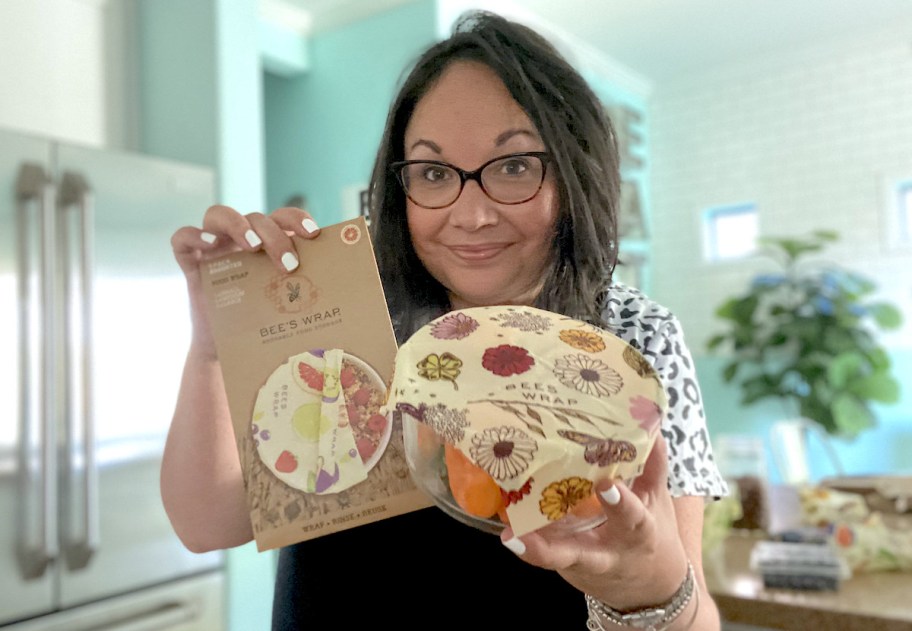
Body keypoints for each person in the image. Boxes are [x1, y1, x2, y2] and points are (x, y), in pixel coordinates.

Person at [163, 11, 728, 630]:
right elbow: (208, 521)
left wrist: (651, 586)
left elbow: (692, 618)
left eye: (514, 166)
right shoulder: (349, 309)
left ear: (573, 170)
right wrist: (215, 349)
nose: (471, 214)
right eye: (433, 174)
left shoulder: (632, 338)